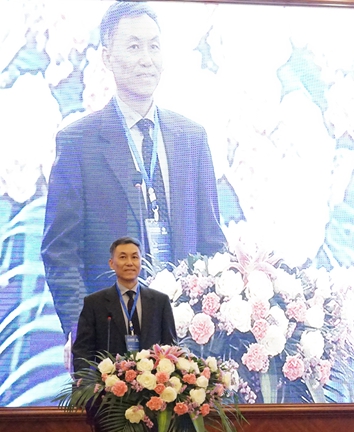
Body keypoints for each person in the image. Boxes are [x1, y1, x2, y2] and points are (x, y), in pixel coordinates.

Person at [41, 1, 226, 357]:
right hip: (111, 338)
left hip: (189, 338)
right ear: (107, 57)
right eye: (134, 46)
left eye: (154, 46)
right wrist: (81, 329)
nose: (147, 59)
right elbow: (60, 251)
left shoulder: (192, 137)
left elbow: (212, 239)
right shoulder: (78, 142)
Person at [72, 236, 177, 372]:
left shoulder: (160, 301)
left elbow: (171, 347)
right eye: (123, 257)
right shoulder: (94, 303)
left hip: (152, 381)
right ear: (111, 263)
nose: (129, 263)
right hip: (109, 382)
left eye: (134, 257)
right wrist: (87, 381)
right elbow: (82, 351)